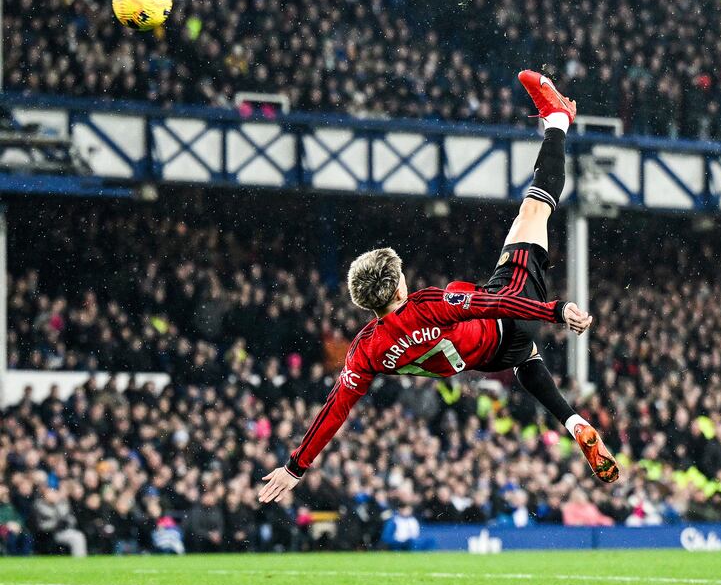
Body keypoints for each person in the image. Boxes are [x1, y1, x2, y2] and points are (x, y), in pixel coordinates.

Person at [259, 71, 619, 505]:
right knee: (534, 209)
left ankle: (572, 421)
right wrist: (556, 311)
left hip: (488, 359)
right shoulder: (426, 305)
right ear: (396, 290)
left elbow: (336, 408)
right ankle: (558, 121)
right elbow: (492, 300)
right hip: (508, 315)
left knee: (527, 358)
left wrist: (296, 465)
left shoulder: (366, 350)